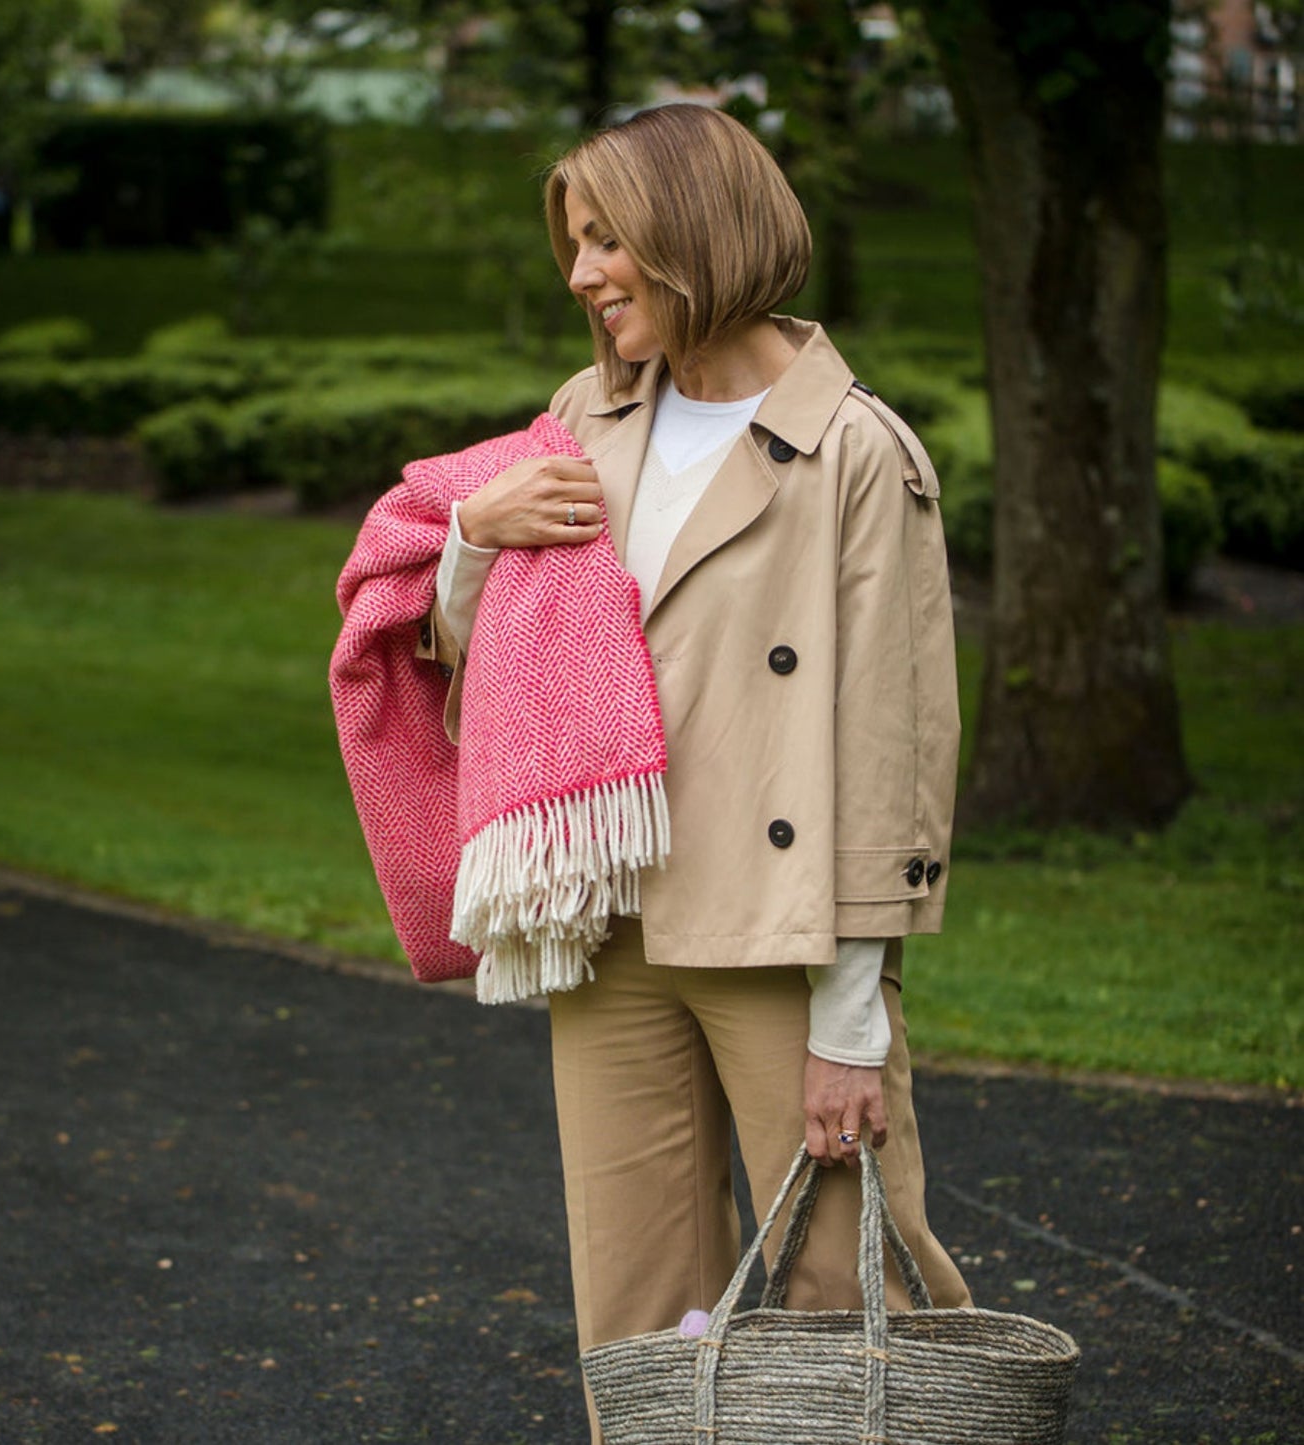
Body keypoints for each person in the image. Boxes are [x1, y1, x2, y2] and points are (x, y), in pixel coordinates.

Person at [369, 103, 970, 1442]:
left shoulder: (857, 453)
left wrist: (852, 1021)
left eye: (605, 241)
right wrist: (473, 531)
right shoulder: (587, 419)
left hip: (777, 938)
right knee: (636, 1309)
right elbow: (477, 648)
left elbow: (893, 748)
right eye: (575, 245)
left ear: (693, 232)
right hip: (605, 916)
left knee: (840, 1287)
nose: (580, 275)